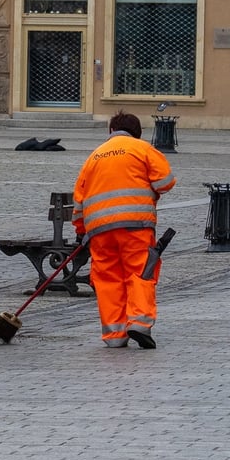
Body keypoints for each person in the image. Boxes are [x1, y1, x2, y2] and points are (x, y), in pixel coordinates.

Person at [72, 111, 176, 349]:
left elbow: (79, 201)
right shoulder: (142, 149)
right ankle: (139, 323)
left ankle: (115, 335)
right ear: (137, 133)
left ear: (110, 131)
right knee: (140, 272)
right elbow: (165, 182)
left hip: (99, 231)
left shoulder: (94, 157)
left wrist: (81, 231)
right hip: (135, 226)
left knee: (107, 279)